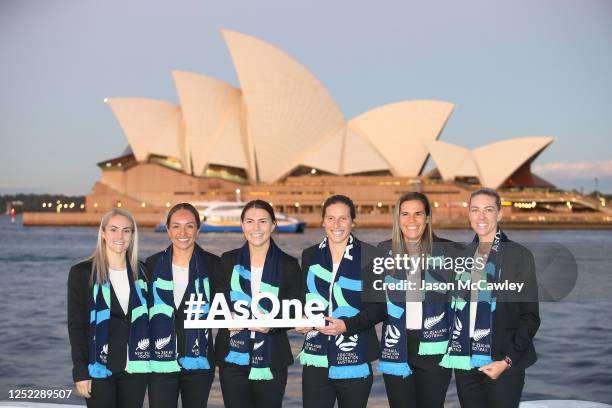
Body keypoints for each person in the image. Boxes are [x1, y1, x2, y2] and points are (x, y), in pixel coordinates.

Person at [444, 188, 540, 408]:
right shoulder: (462, 257)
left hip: (503, 364)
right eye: (475, 210)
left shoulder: (519, 256)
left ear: (499, 214)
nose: (481, 217)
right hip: (466, 364)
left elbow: (530, 317)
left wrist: (506, 361)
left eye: (488, 210)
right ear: (468, 214)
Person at [215, 199, 302, 408]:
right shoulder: (227, 260)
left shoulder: (288, 264)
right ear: (242, 225)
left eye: (263, 222)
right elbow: (217, 303)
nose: (256, 228)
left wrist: (272, 325)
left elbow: (296, 310)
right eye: (250, 221)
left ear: (273, 225)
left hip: (273, 357)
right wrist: (226, 317)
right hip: (232, 357)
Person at [297, 194, 381, 408]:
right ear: (322, 221)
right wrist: (301, 318)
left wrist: (346, 325)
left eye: (343, 218)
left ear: (353, 221)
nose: (336, 224)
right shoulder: (309, 255)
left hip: (356, 352)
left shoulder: (371, 256)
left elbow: (380, 308)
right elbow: (302, 296)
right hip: (317, 356)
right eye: (331, 218)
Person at [377, 192, 454, 408]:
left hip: (435, 347)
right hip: (396, 345)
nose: (411, 220)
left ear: (428, 218)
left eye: (418, 214)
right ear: (397, 218)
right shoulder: (383, 252)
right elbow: (371, 303)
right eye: (405, 214)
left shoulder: (449, 252)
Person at [67, 208, 150, 408]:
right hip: (98, 369)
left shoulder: (143, 273)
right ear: (103, 233)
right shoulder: (82, 273)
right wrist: (80, 372)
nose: (119, 236)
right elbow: (76, 326)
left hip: (135, 369)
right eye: (113, 230)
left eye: (126, 230)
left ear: (132, 235)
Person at [145, 203, 220, 408]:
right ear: (168, 230)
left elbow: (226, 311)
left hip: (199, 363)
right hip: (159, 362)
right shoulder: (151, 265)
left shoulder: (214, 265)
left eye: (189, 226)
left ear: (198, 229)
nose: (183, 232)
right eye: (176, 226)